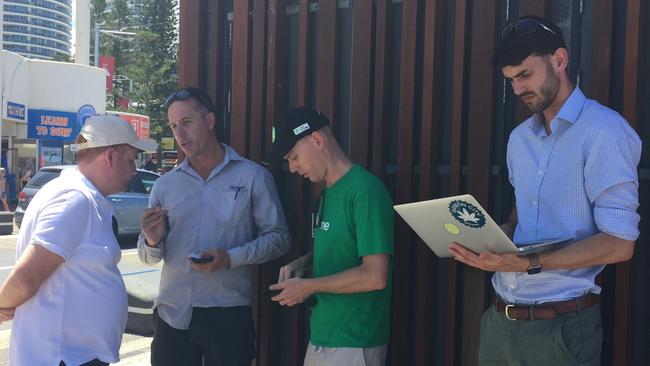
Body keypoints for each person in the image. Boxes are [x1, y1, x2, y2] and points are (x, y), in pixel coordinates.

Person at [448, 16, 641, 366]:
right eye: (510, 80)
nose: (518, 89)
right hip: (499, 322)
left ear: (560, 60)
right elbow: (521, 217)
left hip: (562, 330)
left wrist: (527, 264)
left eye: (525, 75)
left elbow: (620, 243)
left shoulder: (605, 131)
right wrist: (487, 241)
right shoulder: (519, 139)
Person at [138, 87, 291, 366]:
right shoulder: (165, 185)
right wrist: (151, 240)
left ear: (209, 121)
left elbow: (279, 238)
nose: (180, 135)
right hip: (173, 313)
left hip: (227, 313)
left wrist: (230, 258)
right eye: (173, 126)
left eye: (186, 123)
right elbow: (149, 256)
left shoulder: (252, 177)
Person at [0, 115, 158, 365]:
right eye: (131, 160)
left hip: (73, 356)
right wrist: (2, 304)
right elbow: (26, 276)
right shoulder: (75, 199)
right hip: (64, 357)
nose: (134, 170)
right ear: (110, 157)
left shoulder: (81, 196)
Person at [265, 107, 394, 366]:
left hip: (354, 341)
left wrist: (308, 286)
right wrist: (305, 263)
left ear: (317, 140)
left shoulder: (365, 190)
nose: (292, 168)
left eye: (294, 157)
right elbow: (346, 248)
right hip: (327, 337)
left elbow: (375, 275)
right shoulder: (329, 191)